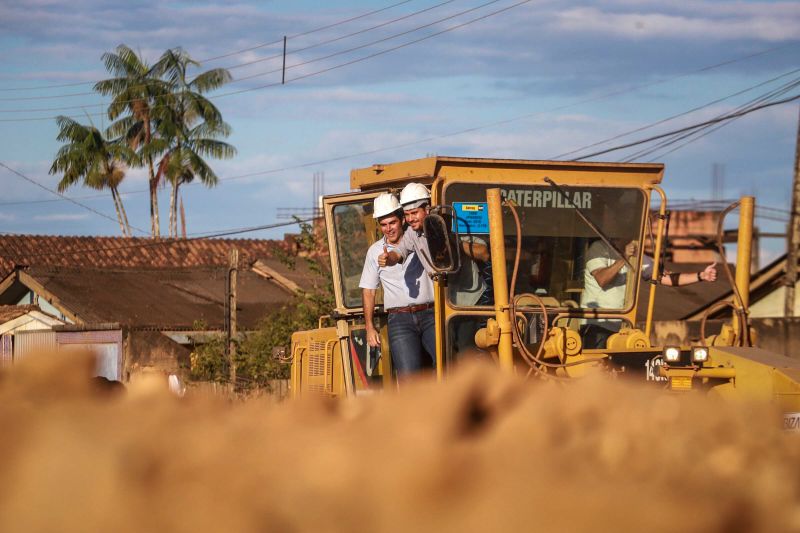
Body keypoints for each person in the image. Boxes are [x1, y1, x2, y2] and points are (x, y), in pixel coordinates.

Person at [580, 238, 717, 349]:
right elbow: (602, 279)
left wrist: (701, 275)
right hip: (598, 324)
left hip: (624, 326)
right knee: (595, 370)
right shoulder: (599, 249)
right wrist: (625, 257)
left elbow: (664, 278)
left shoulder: (638, 256)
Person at [359, 193, 436, 377]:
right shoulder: (374, 252)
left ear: (402, 220)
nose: (388, 229)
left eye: (392, 223)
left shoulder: (420, 239)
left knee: (445, 366)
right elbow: (368, 291)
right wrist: (369, 327)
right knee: (409, 377)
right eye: (383, 225)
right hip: (400, 320)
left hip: (430, 314)